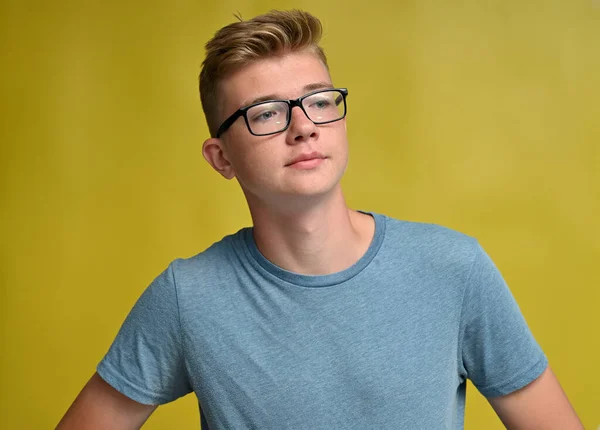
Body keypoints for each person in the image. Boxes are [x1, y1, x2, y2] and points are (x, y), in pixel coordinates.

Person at [57, 9, 583, 430]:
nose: (304, 127)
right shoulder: (188, 297)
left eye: (319, 101)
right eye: (265, 112)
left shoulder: (454, 269)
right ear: (221, 158)